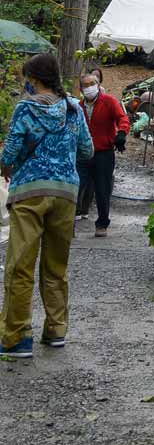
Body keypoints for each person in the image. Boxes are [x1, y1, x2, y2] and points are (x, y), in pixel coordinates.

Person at [0, 54, 93, 358]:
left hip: (30, 192)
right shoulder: (73, 108)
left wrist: (8, 166)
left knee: (20, 265)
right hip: (66, 193)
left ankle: (16, 338)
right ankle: (56, 329)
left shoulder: (26, 108)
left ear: (34, 79)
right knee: (56, 266)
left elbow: (9, 153)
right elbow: (87, 149)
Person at [75, 72, 129, 237]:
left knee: (102, 189)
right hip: (83, 154)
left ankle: (102, 223)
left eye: (92, 83)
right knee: (76, 187)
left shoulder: (109, 102)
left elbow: (123, 119)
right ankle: (67, 224)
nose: (89, 87)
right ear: (81, 89)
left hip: (103, 153)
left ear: (98, 85)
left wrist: (121, 133)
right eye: (85, 85)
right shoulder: (79, 106)